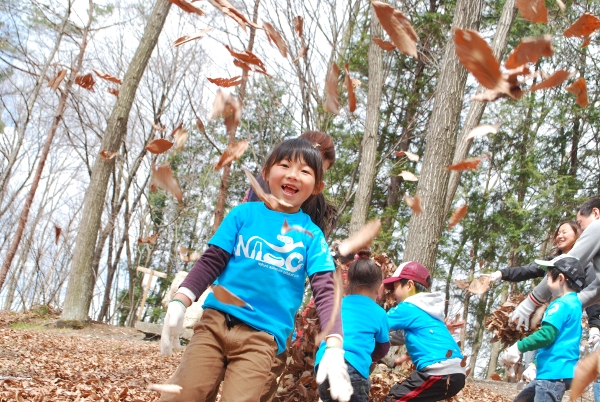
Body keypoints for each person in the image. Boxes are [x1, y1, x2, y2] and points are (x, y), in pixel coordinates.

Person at [159, 138, 353, 402]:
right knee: (184, 394)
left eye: (305, 171)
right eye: (285, 165)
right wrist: (181, 300)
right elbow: (212, 260)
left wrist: (334, 342)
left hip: (262, 338)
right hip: (215, 323)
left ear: (317, 186)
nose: (293, 175)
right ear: (266, 172)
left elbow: (325, 289)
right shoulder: (242, 215)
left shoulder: (312, 236)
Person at [486, 220, 599, 379]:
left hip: (566, 322)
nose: (559, 236)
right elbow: (527, 270)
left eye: (564, 232)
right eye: (557, 233)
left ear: (578, 235)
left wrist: (595, 324)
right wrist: (501, 274)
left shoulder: (585, 266)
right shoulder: (553, 260)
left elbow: (594, 292)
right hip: (550, 319)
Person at [501, 255, 585, 402]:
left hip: (552, 374)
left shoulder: (560, 305)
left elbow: (546, 335)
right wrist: (534, 364)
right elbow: (559, 342)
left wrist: (518, 347)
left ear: (560, 278)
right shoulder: (575, 304)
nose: (546, 279)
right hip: (557, 371)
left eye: (548, 275)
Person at [510, 198, 600, 330]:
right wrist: (563, 306)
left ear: (596, 213)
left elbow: (568, 264)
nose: (580, 233)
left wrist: (530, 302)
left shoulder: (597, 226)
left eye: (580, 224)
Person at [315, 250, 391, 402]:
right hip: (352, 369)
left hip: (324, 365)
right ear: (379, 287)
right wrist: (371, 358)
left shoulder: (337, 305)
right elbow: (383, 347)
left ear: (348, 282)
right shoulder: (379, 313)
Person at [384, 261, 465, 402]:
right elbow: (393, 336)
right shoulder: (427, 311)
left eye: (395, 287)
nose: (392, 293)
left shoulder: (408, 307)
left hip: (439, 371)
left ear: (409, 285)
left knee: (394, 399)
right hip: (454, 372)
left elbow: (377, 325)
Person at [244, 131, 338, 238]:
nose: (293, 176)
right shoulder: (267, 183)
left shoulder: (314, 214)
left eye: (318, 171)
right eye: (285, 165)